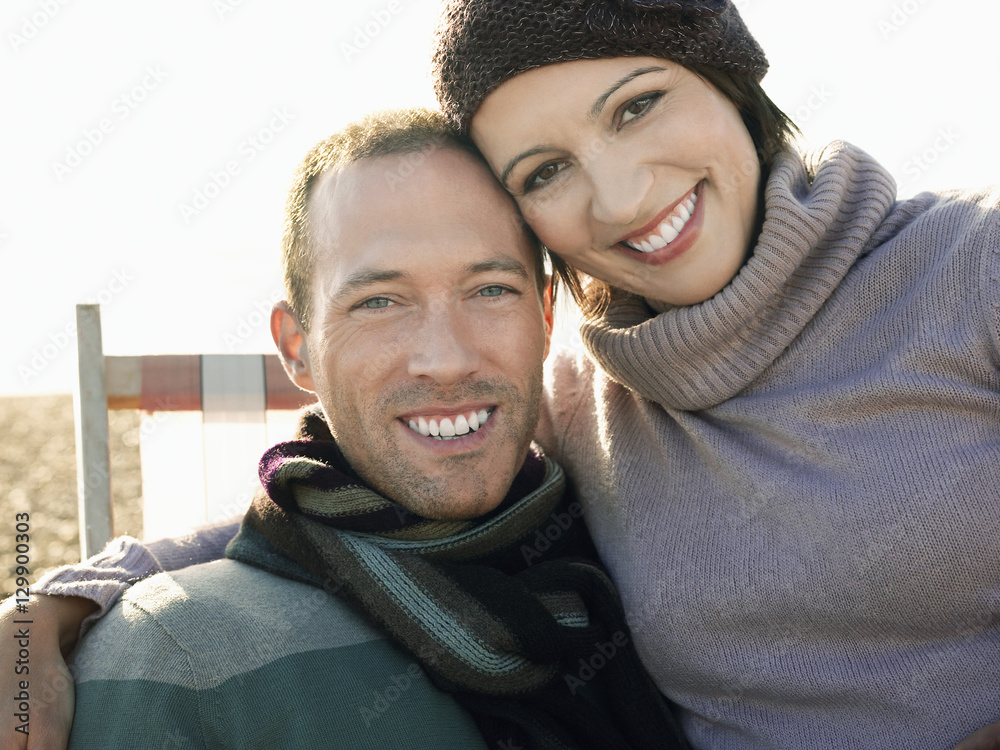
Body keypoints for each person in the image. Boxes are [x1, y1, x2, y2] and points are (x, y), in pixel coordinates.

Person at [0, 108, 687, 750]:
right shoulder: (176, 660)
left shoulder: (631, 513)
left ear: (544, 318)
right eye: (379, 302)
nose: (445, 359)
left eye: (489, 290)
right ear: (297, 346)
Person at [429, 0, 1000, 748]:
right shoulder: (568, 400)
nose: (622, 197)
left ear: (729, 79)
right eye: (545, 173)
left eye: (636, 107)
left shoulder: (975, 267)